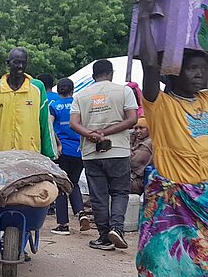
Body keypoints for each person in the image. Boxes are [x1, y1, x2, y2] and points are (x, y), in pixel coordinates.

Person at [134, 0, 208, 277]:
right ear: (175, 71)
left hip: (204, 196)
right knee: (156, 259)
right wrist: (147, 13)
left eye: (204, 69)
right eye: (193, 68)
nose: (200, 75)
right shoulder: (159, 104)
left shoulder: (206, 101)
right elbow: (149, 65)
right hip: (170, 195)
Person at [70, 59, 139, 251]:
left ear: (93, 76)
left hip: (91, 153)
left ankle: (104, 237)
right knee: (119, 192)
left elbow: (74, 124)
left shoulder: (81, 95)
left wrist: (91, 134)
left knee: (98, 195)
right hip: (118, 150)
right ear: (111, 73)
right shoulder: (124, 91)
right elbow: (132, 119)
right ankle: (116, 228)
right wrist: (106, 133)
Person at [0, 47, 56, 159]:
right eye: (16, 62)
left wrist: (49, 153)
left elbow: (45, 123)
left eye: (23, 63)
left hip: (30, 154)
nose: (20, 66)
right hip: (0, 154)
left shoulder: (37, 88)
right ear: (8, 63)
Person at [49, 78, 92, 235]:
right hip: (79, 151)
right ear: (73, 90)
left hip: (62, 152)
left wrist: (58, 144)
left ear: (58, 91)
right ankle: (81, 213)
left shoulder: (54, 106)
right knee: (73, 183)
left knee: (61, 185)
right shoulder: (79, 103)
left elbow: (49, 126)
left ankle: (63, 225)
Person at [129, 117, 153, 194]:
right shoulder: (137, 140)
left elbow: (133, 162)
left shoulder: (148, 143)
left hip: (138, 182)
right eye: (136, 128)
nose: (138, 131)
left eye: (142, 128)